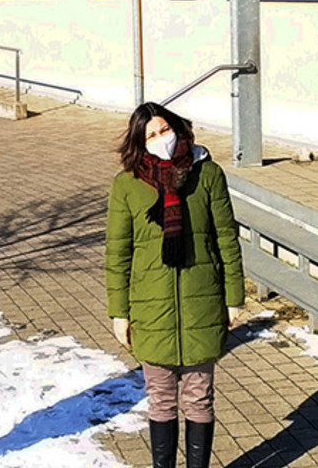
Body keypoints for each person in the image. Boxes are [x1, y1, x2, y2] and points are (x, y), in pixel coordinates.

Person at [104, 102, 244, 468]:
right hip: (150, 309)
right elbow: (117, 254)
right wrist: (119, 312)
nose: (160, 139)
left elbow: (226, 238)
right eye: (150, 135)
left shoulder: (207, 174)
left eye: (164, 130)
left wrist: (234, 297)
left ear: (179, 129)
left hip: (202, 304)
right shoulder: (127, 185)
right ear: (139, 143)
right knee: (161, 399)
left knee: (200, 398)